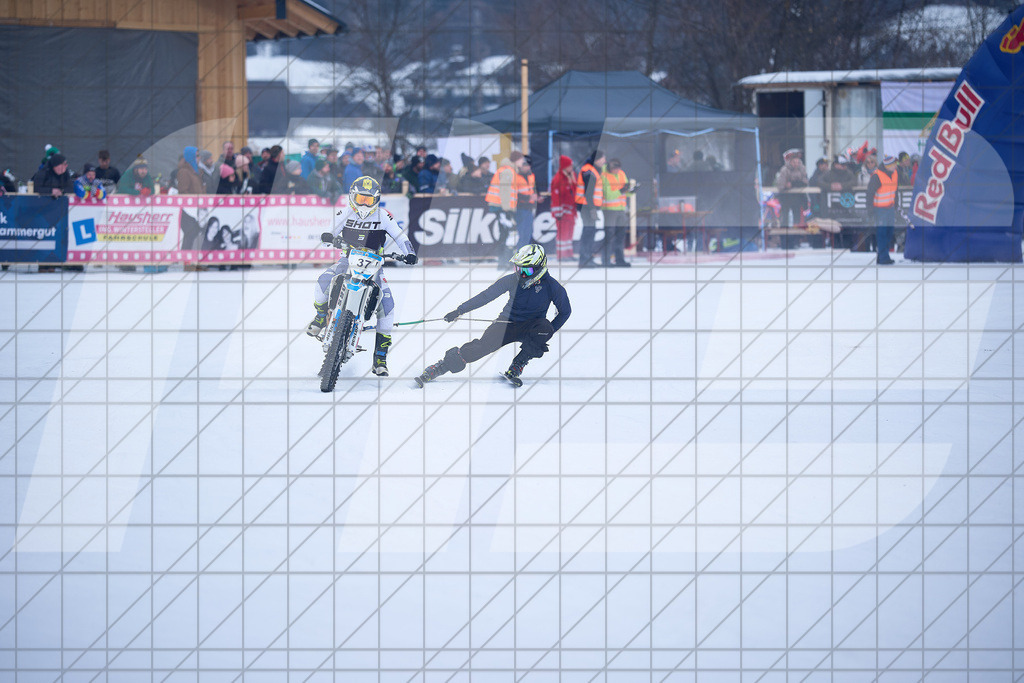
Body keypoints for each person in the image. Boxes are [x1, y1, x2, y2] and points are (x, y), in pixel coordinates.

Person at [415, 244, 571, 387]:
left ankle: (518, 364)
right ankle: (441, 367)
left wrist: (550, 329)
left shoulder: (552, 287)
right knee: (479, 348)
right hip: (506, 324)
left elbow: (565, 312)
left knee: (544, 328)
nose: (521, 274)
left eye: (526, 270)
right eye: (518, 269)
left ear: (539, 268)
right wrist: (459, 310)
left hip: (532, 327)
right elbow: (485, 296)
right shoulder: (512, 280)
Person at [307, 176, 417, 376]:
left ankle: (380, 357)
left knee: (388, 307)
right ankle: (321, 317)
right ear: (352, 197)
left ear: (376, 200)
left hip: (375, 266)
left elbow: (401, 237)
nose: (364, 204)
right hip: (347, 261)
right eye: (360, 198)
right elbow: (328, 232)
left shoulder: (384, 216)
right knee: (323, 282)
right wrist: (327, 236)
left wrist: (410, 252)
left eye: (369, 200)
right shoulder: (345, 212)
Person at [484, 154, 518, 264]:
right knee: (507, 234)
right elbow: (505, 191)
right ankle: (504, 261)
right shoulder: (508, 171)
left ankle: (502, 261)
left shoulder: (502, 170)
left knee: (504, 233)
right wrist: (507, 208)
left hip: (499, 206)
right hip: (502, 207)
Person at [867, 155, 899, 265]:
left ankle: (881, 256)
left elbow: (896, 190)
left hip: (890, 208)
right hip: (880, 209)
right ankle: (884, 257)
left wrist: (896, 203)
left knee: (889, 233)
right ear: (888, 166)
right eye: (894, 164)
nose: (896, 166)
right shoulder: (877, 176)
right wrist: (870, 209)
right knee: (882, 234)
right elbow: (870, 194)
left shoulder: (895, 174)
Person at [576, 149, 605, 267]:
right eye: (603, 158)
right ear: (597, 159)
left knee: (590, 231)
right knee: (588, 232)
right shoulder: (589, 171)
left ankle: (587, 258)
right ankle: (584, 259)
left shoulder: (592, 170)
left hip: (588, 206)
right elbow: (588, 193)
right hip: (587, 207)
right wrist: (592, 209)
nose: (604, 161)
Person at [600, 158, 631, 267]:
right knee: (609, 235)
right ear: (609, 167)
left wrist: (631, 191)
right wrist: (622, 190)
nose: (617, 170)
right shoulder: (604, 176)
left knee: (620, 236)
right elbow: (607, 195)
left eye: (618, 168)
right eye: (615, 168)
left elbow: (626, 191)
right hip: (609, 210)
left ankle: (620, 259)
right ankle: (606, 260)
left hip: (621, 209)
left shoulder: (622, 174)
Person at [550, 154, 577, 260]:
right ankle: (561, 255)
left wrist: (573, 182)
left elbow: (574, 193)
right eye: (570, 166)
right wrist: (558, 213)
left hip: (571, 211)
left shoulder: (571, 176)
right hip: (563, 212)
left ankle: (569, 254)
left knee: (569, 234)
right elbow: (556, 197)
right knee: (562, 234)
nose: (571, 168)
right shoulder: (558, 179)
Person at [773, 148, 808, 228]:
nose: (796, 164)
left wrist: (792, 184)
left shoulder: (802, 169)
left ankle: (796, 236)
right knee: (785, 217)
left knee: (797, 217)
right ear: (789, 162)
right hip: (786, 198)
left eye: (797, 161)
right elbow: (780, 185)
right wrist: (787, 185)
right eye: (793, 162)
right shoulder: (784, 170)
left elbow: (805, 182)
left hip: (798, 198)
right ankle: (784, 235)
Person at [513, 155, 537, 251]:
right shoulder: (515, 177)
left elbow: (533, 190)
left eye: (528, 165)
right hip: (520, 208)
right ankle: (519, 254)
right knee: (522, 233)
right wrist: (528, 197)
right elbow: (514, 194)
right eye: (525, 165)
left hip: (529, 208)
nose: (527, 167)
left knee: (529, 232)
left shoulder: (531, 176)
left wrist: (536, 197)